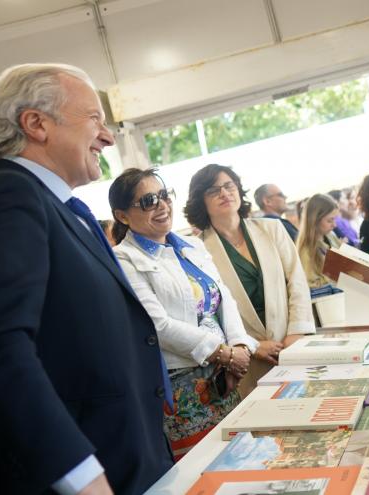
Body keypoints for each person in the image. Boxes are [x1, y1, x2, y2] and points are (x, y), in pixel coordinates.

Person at [0, 63, 172, 493]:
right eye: (95, 120)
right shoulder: (4, 195)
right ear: (36, 124)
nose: (107, 136)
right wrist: (81, 476)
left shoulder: (65, 210)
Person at [109, 168, 258, 460]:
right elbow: (158, 325)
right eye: (149, 200)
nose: (162, 205)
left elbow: (223, 297)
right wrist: (224, 353)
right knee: (203, 470)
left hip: (224, 377)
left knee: (243, 458)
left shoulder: (191, 246)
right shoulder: (123, 259)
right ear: (123, 216)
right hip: (183, 386)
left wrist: (240, 348)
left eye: (164, 196)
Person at [185, 164, 315, 397]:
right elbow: (209, 313)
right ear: (200, 201)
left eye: (229, 186)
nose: (224, 193)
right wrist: (252, 345)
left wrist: (297, 331)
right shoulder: (197, 250)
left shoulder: (272, 228)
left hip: (291, 343)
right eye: (214, 191)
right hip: (247, 359)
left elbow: (296, 281)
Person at [296, 193, 343, 288]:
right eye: (330, 220)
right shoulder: (306, 250)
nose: (334, 225)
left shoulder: (330, 235)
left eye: (335, 219)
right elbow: (311, 286)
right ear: (315, 220)